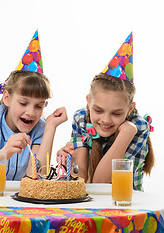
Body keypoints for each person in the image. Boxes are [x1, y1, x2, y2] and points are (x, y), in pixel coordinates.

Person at [58, 33, 154, 191]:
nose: (106, 120)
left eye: (116, 114)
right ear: (88, 101)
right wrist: (69, 163)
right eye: (98, 110)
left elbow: (101, 183)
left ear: (130, 109)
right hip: (93, 205)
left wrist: (125, 135)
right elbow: (82, 178)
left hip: (127, 206)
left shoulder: (138, 126)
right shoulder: (81, 118)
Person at [0, 30, 67, 184]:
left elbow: (35, 179)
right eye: (23, 103)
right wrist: (3, 153)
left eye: (39, 106)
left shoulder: (40, 126)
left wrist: (50, 127)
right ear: (7, 98)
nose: (31, 113)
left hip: (17, 203)